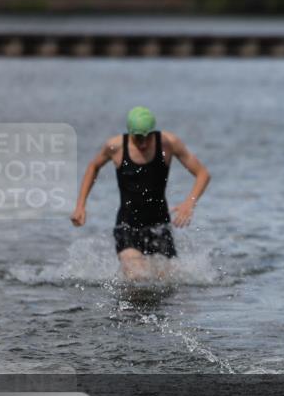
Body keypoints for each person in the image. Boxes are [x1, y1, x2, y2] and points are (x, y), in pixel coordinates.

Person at [70, 106, 211, 280]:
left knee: (168, 280)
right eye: (138, 138)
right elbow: (93, 166)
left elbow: (202, 173)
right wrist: (80, 206)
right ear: (129, 133)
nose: (143, 143)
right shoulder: (115, 147)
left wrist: (189, 203)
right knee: (136, 275)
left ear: (154, 132)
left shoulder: (169, 143)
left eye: (148, 137)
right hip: (127, 225)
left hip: (160, 226)